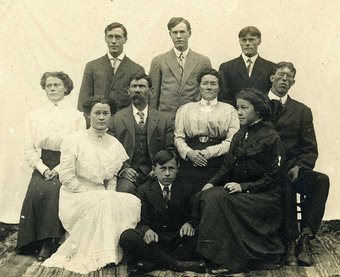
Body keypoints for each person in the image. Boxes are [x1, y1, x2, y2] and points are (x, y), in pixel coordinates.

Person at [42, 96, 141, 274]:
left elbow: (111, 177)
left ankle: (111, 253)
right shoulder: (74, 140)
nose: (101, 117)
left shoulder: (114, 144)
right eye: (97, 113)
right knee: (106, 201)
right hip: (75, 196)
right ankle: (103, 255)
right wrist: (91, 193)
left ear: (111, 116)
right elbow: (66, 176)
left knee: (130, 202)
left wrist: (109, 194)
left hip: (102, 195)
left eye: (106, 113)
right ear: (88, 116)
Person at [196, 88, 285, 273]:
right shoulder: (239, 134)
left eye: (244, 108)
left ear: (258, 111)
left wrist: (243, 187)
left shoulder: (271, 137)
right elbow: (227, 167)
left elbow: (272, 178)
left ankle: (229, 260)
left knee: (218, 199)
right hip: (243, 192)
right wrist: (211, 183)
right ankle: (212, 254)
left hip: (263, 195)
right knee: (207, 194)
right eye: (238, 107)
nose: (239, 112)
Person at [16, 72, 85, 261]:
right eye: (49, 86)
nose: (53, 89)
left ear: (66, 88)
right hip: (43, 164)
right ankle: (32, 241)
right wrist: (43, 168)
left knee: (54, 191)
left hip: (67, 164)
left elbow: (79, 147)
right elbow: (29, 148)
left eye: (57, 85)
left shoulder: (77, 116)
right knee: (35, 190)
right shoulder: (35, 115)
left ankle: (50, 242)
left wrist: (60, 169)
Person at [268, 62, 329, 266]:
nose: (284, 79)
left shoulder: (302, 110)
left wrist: (300, 167)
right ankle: (290, 242)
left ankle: (305, 237)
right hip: (265, 171)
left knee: (321, 181)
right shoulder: (258, 104)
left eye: (289, 76)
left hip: (293, 169)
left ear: (293, 82)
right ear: (272, 78)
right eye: (280, 74)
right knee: (284, 185)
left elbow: (310, 147)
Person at [120, 149, 205, 274]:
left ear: (177, 169)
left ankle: (153, 264)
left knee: (202, 232)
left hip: (177, 239)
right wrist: (147, 230)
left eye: (171, 168)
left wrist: (189, 224)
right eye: (163, 168)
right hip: (156, 240)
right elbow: (142, 220)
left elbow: (192, 215)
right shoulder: (144, 190)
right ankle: (178, 264)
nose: (167, 173)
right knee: (127, 236)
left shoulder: (186, 189)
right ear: (154, 169)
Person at [174, 69, 239, 194]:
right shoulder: (185, 109)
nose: (208, 87)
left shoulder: (229, 110)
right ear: (199, 86)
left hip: (217, 161)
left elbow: (232, 140)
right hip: (190, 160)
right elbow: (178, 137)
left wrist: (209, 153)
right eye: (205, 83)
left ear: (219, 88)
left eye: (213, 84)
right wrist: (189, 153)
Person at [113, 74, 174, 195]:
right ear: (128, 90)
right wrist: (124, 169)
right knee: (125, 191)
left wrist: (159, 168)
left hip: (154, 173)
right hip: (128, 173)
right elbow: (110, 150)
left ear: (150, 91)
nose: (137, 90)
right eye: (133, 86)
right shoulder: (116, 119)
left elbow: (170, 149)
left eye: (141, 86)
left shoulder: (163, 119)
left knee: (156, 195)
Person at [149, 17, 211, 120]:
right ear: (170, 35)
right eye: (175, 33)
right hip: (165, 120)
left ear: (189, 33)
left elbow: (207, 93)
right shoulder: (158, 61)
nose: (178, 36)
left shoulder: (203, 61)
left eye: (182, 32)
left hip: (194, 118)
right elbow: (153, 96)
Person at [77, 22, 145, 114]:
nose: (113, 41)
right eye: (110, 37)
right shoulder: (92, 66)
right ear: (105, 39)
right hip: (99, 122)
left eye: (118, 37)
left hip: (124, 124)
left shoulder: (137, 69)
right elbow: (83, 101)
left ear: (125, 39)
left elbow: (139, 103)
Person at [219, 26, 274, 106]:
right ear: (239, 42)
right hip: (235, 114)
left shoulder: (270, 67)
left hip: (261, 115)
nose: (247, 43)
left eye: (251, 40)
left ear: (259, 41)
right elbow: (223, 97)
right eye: (244, 40)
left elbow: (271, 95)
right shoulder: (227, 67)